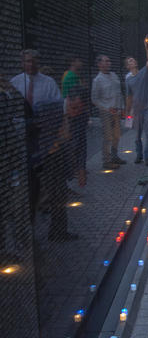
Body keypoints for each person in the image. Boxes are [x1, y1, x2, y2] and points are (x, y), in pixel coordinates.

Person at [11, 49, 77, 241]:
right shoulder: (16, 83)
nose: (30, 65)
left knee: (57, 191)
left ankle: (58, 231)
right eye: (26, 62)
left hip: (48, 145)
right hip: (25, 147)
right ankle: (24, 237)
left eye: (33, 61)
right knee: (27, 195)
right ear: (22, 63)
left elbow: (57, 111)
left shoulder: (47, 83)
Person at [125, 35, 148, 166]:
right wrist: (127, 112)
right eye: (129, 61)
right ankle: (139, 156)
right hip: (136, 111)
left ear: (136, 63)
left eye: (133, 60)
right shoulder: (128, 80)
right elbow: (129, 97)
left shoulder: (144, 72)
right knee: (137, 136)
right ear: (127, 66)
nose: (132, 61)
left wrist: (147, 48)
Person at [91, 54, 126, 169]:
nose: (107, 63)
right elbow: (94, 99)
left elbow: (119, 93)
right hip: (106, 112)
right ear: (99, 64)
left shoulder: (114, 76)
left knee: (116, 135)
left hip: (116, 111)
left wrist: (122, 108)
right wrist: (107, 108)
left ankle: (114, 156)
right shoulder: (97, 80)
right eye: (105, 61)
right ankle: (106, 160)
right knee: (108, 137)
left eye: (109, 61)